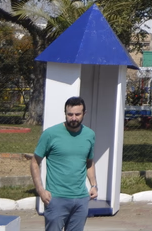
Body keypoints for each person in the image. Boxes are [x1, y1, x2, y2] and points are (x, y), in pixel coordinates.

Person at [30, 96, 98, 231]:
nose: (73, 118)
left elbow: (89, 162)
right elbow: (34, 162)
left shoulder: (89, 135)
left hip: (80, 199)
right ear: (65, 114)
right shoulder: (50, 134)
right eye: (70, 114)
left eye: (77, 114)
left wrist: (94, 185)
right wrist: (40, 190)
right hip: (55, 198)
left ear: (84, 113)